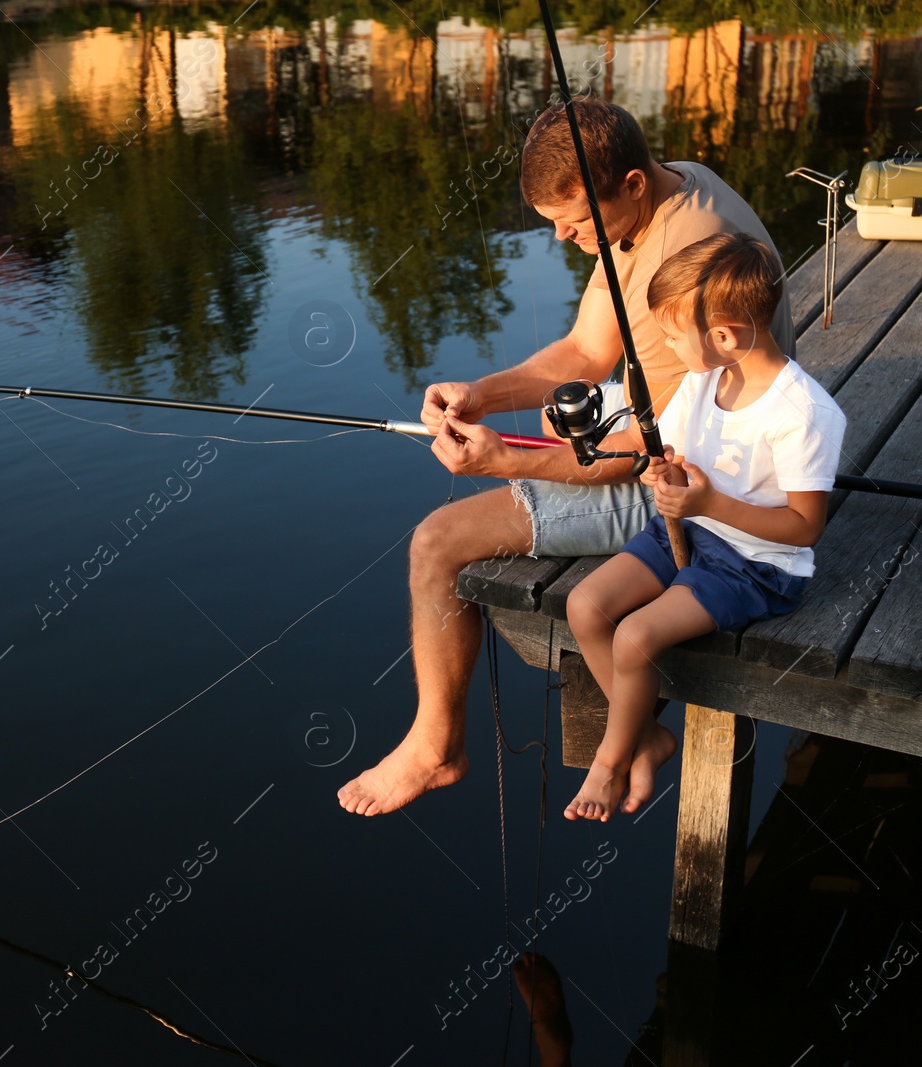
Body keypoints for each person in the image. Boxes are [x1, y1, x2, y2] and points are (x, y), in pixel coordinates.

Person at [338, 97, 796, 817]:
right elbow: (587, 351)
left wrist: (504, 462)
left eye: (573, 220)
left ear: (632, 185)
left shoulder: (686, 258)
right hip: (683, 432)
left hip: (703, 485)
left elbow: (641, 455)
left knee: (437, 544)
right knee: (554, 421)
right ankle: (636, 737)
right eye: (553, 220)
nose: (559, 237)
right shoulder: (676, 187)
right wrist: (482, 394)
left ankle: (437, 748)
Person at [562, 233, 844, 820]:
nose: (663, 345)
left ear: (723, 335)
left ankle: (610, 764)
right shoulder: (704, 379)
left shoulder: (805, 414)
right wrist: (665, 473)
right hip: (689, 532)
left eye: (671, 333)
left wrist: (707, 504)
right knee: (586, 605)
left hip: (758, 565)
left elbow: (804, 528)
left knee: (634, 637)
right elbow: (679, 454)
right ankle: (646, 738)